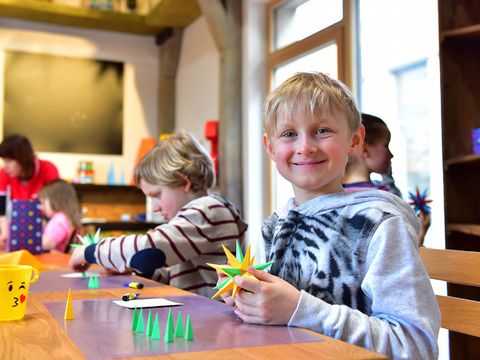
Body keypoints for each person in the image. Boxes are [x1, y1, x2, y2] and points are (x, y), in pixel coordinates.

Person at [218, 72, 439, 359]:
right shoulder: (275, 225)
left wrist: (303, 310)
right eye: (288, 134)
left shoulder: (381, 225)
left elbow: (415, 345)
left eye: (322, 130)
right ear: (270, 147)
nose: (305, 147)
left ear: (355, 140)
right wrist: (246, 299)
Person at [69, 131, 247, 297]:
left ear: (183, 183)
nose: (155, 207)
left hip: (215, 323)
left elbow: (149, 250)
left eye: (156, 195)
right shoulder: (194, 222)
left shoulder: (207, 211)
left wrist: (90, 251)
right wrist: (137, 268)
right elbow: (171, 276)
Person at [343, 113, 430, 246]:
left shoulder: (336, 195)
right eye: (386, 145)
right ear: (365, 148)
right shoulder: (386, 196)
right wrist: (422, 231)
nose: (391, 154)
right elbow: (404, 250)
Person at [0, 134, 59, 247]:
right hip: (13, 232)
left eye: (9, 161)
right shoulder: (4, 174)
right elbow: (1, 211)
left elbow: (57, 209)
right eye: (3, 160)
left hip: (45, 233)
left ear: (23, 158)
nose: (5, 166)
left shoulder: (48, 169)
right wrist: (3, 231)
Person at [38, 179, 82, 253]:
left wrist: (29, 239)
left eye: (43, 203)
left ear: (55, 201)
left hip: (54, 262)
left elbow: (46, 244)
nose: (41, 207)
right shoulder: (66, 218)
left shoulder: (59, 219)